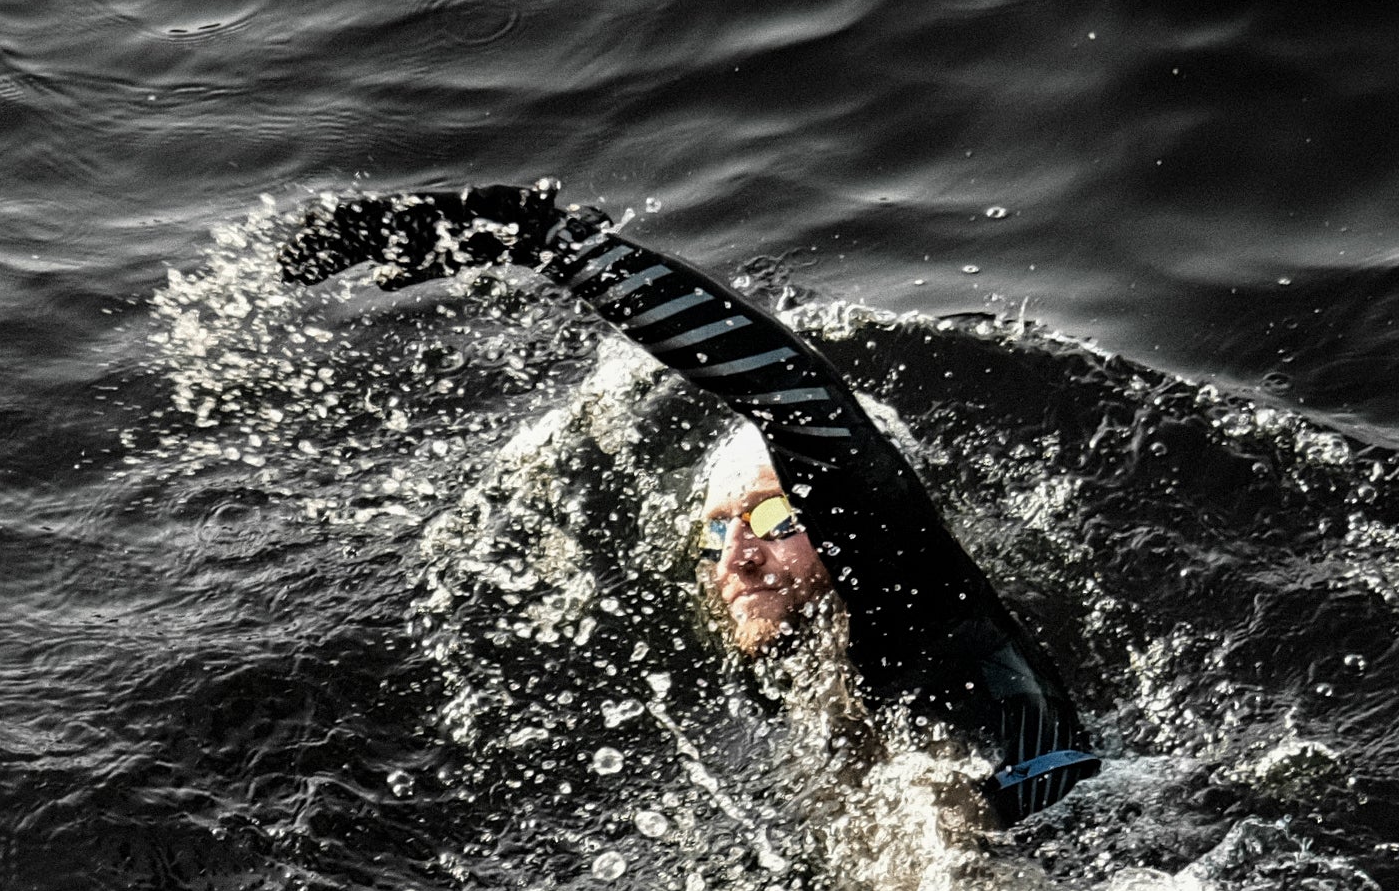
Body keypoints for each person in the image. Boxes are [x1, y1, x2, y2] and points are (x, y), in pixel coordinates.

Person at [281, 183, 1101, 822]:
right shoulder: (797, 670)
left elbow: (793, 395)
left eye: (777, 519)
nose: (739, 557)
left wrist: (546, 241)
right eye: (717, 533)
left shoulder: (913, 599)